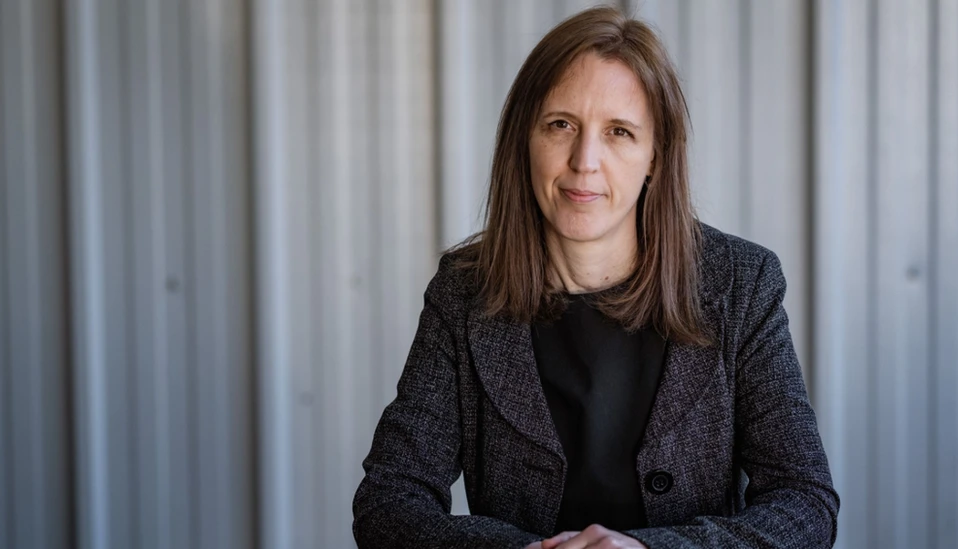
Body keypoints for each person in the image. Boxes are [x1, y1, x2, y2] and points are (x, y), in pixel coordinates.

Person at [352, 6, 839, 548]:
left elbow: (805, 504)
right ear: (525, 139)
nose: (585, 160)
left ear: (655, 155)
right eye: (561, 124)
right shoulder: (465, 292)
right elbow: (389, 501)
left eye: (619, 132)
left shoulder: (741, 284)